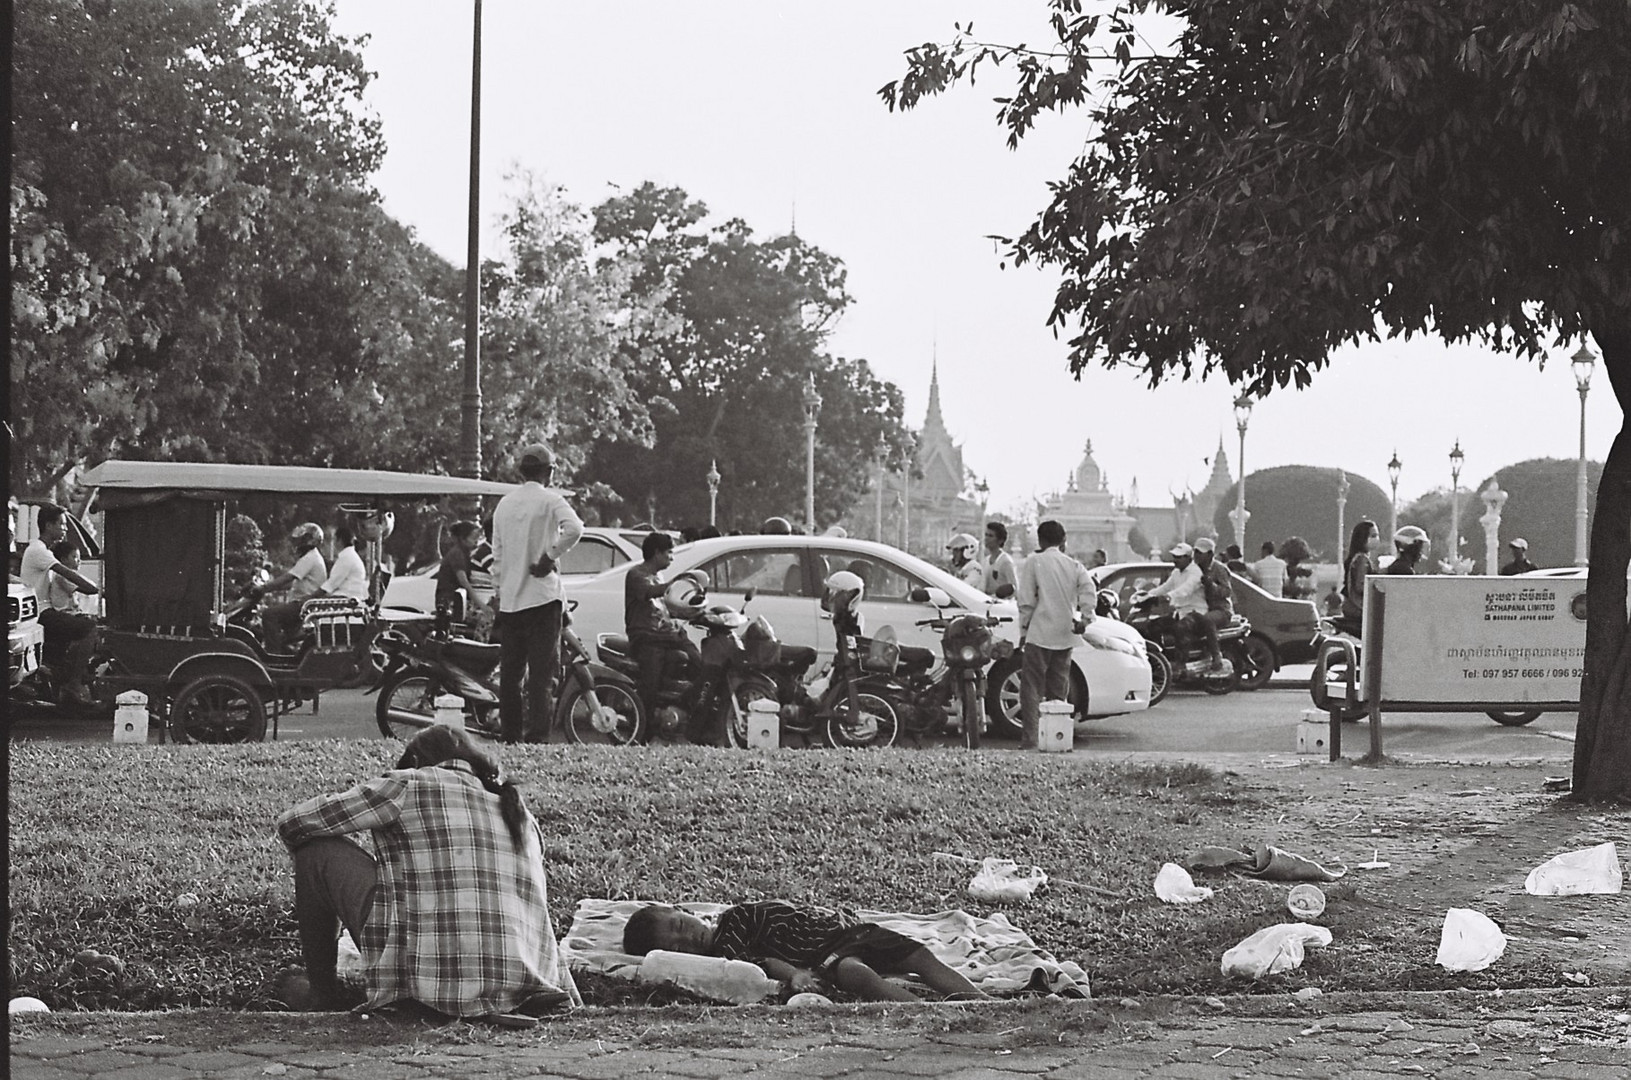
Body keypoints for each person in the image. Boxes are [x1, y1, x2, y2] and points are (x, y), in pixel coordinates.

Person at [274, 724, 576, 1021]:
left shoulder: (408, 783)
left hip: (429, 990)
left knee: (315, 853)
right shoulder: (519, 814)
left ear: (416, 762)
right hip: (526, 987)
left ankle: (321, 994)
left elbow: (295, 822)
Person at [622, 901, 987, 1003]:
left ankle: (981, 1000)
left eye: (682, 926)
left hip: (846, 928)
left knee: (920, 956)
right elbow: (761, 964)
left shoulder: (733, 920)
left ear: (683, 911)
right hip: (827, 950)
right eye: (679, 949)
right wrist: (795, 974)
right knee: (854, 973)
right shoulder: (725, 952)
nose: (690, 940)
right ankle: (920, 1010)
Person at [489, 443, 583, 744]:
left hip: (512, 602)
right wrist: (549, 556)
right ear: (549, 471)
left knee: (511, 677)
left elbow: (498, 556)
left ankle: (511, 736)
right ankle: (538, 737)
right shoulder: (550, 500)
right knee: (542, 676)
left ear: (521, 471)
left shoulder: (504, 505)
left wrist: (497, 593)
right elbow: (575, 528)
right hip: (542, 600)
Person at [1016, 520, 1096, 750]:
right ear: (1063, 541)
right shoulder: (1074, 565)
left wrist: (1023, 630)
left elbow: (1026, 601)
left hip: (1039, 632)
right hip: (1064, 633)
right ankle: (1056, 739)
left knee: (1031, 687)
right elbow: (1088, 591)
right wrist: (1086, 618)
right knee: (1058, 690)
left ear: (1040, 540)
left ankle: (1030, 738)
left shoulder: (1034, 562)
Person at [624, 531, 705, 734]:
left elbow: (668, 605)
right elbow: (652, 592)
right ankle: (644, 726)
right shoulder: (637, 575)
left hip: (667, 634)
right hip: (647, 636)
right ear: (656, 553)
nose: (671, 557)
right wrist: (678, 584)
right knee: (650, 682)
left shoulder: (658, 576)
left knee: (698, 662)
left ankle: (688, 707)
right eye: (669, 553)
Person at [20, 504, 100, 705]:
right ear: (48, 525)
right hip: (40, 613)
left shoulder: (43, 550)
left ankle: (62, 675)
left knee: (84, 621)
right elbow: (67, 573)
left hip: (45, 610)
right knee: (89, 628)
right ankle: (73, 683)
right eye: (62, 525)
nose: (65, 529)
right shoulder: (38, 550)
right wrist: (93, 587)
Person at [259, 523, 329, 653]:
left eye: (303, 538)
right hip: (302, 604)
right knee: (281, 636)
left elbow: (288, 577)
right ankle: (284, 656)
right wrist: (269, 588)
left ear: (311, 539)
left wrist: (263, 588)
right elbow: (291, 583)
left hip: (303, 606)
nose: (299, 542)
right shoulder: (310, 557)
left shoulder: (310, 557)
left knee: (269, 615)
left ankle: (273, 657)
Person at [1138, 542, 1206, 664]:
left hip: (1195, 612)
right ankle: (1162, 658)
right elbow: (1165, 587)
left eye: (1179, 557)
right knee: (1153, 626)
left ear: (1188, 558)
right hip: (1180, 612)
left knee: (1180, 629)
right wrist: (1147, 595)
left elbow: (1186, 589)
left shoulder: (1195, 572)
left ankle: (1182, 663)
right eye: (1175, 557)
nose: (1175, 560)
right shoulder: (1176, 572)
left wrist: (1168, 596)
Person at [1190, 537, 1233, 671]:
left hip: (1220, 610)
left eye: (1200, 553)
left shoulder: (1219, 569)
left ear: (1210, 554)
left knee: (1207, 620)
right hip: (1200, 607)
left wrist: (1211, 585)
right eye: (1195, 552)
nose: (1196, 555)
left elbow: (1227, 591)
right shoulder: (1194, 569)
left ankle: (1216, 656)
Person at [435, 520, 484, 615]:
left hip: (457, 600)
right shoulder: (457, 554)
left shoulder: (466, 553)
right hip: (450, 601)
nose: (476, 542)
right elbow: (463, 581)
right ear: (463, 538)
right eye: (473, 538)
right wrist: (480, 604)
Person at [312, 524, 369, 602]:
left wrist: (310, 597)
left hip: (345, 598)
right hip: (345, 597)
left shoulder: (347, 557)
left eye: (334, 539)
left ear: (340, 540)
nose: (334, 543)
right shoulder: (349, 556)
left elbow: (331, 584)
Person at [1339, 520, 1379, 629]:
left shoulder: (1356, 557)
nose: (1376, 539)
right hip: (1358, 607)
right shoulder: (1362, 559)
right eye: (1373, 535)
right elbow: (1360, 586)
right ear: (1362, 538)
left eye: (1377, 535)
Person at [980, 521, 1018, 599]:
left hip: (1001, 606)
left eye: (990, 536)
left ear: (1000, 540)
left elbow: (1015, 589)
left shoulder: (1006, 562)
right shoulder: (986, 561)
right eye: (986, 535)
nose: (986, 538)